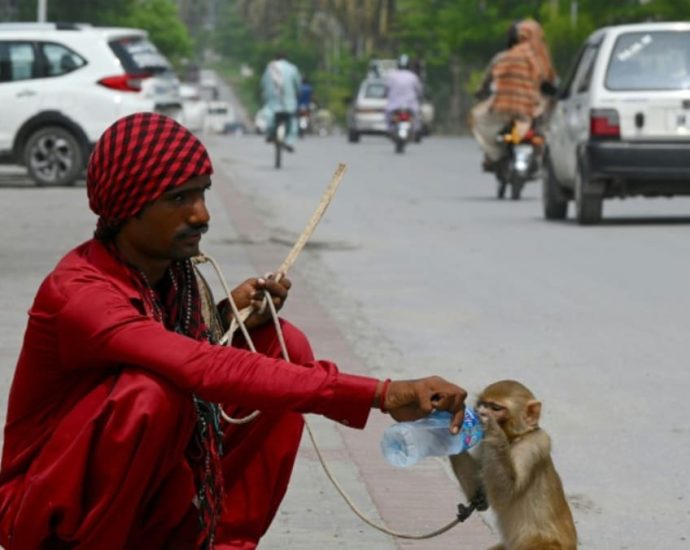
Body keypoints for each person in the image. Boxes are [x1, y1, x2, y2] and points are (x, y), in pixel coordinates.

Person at [0, 112, 468, 549]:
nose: (202, 215)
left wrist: (225, 317)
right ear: (129, 206)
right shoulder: (80, 291)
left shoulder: (177, 276)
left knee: (280, 350)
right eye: (179, 198)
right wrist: (382, 394)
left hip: (144, 493)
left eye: (202, 192)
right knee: (152, 396)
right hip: (44, 513)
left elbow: (181, 345)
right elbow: (195, 365)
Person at [471, 18, 557, 170]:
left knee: (479, 118)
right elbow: (550, 82)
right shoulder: (541, 59)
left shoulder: (502, 57)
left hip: (505, 108)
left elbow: (488, 80)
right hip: (534, 109)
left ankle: (494, 156)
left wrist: (481, 92)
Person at [260, 52, 302, 151]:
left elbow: (263, 83)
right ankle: (289, 142)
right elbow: (298, 85)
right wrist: (297, 93)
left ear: (275, 59)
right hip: (289, 104)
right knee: (292, 121)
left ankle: (270, 134)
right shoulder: (292, 68)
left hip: (272, 104)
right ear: (286, 59)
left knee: (269, 118)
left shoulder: (270, 68)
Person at [384, 54, 424, 135]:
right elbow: (419, 90)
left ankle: (389, 130)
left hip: (394, 105)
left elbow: (386, 89)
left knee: (388, 116)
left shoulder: (392, 76)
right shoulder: (413, 76)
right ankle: (416, 131)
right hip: (410, 105)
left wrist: (384, 95)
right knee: (417, 117)